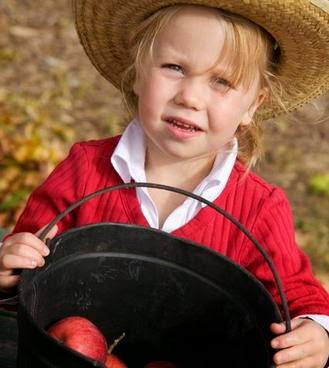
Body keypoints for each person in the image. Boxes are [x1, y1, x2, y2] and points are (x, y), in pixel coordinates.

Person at [0, 1, 329, 367]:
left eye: (222, 82)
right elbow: (29, 270)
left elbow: (297, 297)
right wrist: (9, 272)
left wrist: (315, 335)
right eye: (174, 67)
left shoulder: (259, 208)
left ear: (253, 105)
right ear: (138, 74)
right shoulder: (85, 171)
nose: (189, 97)